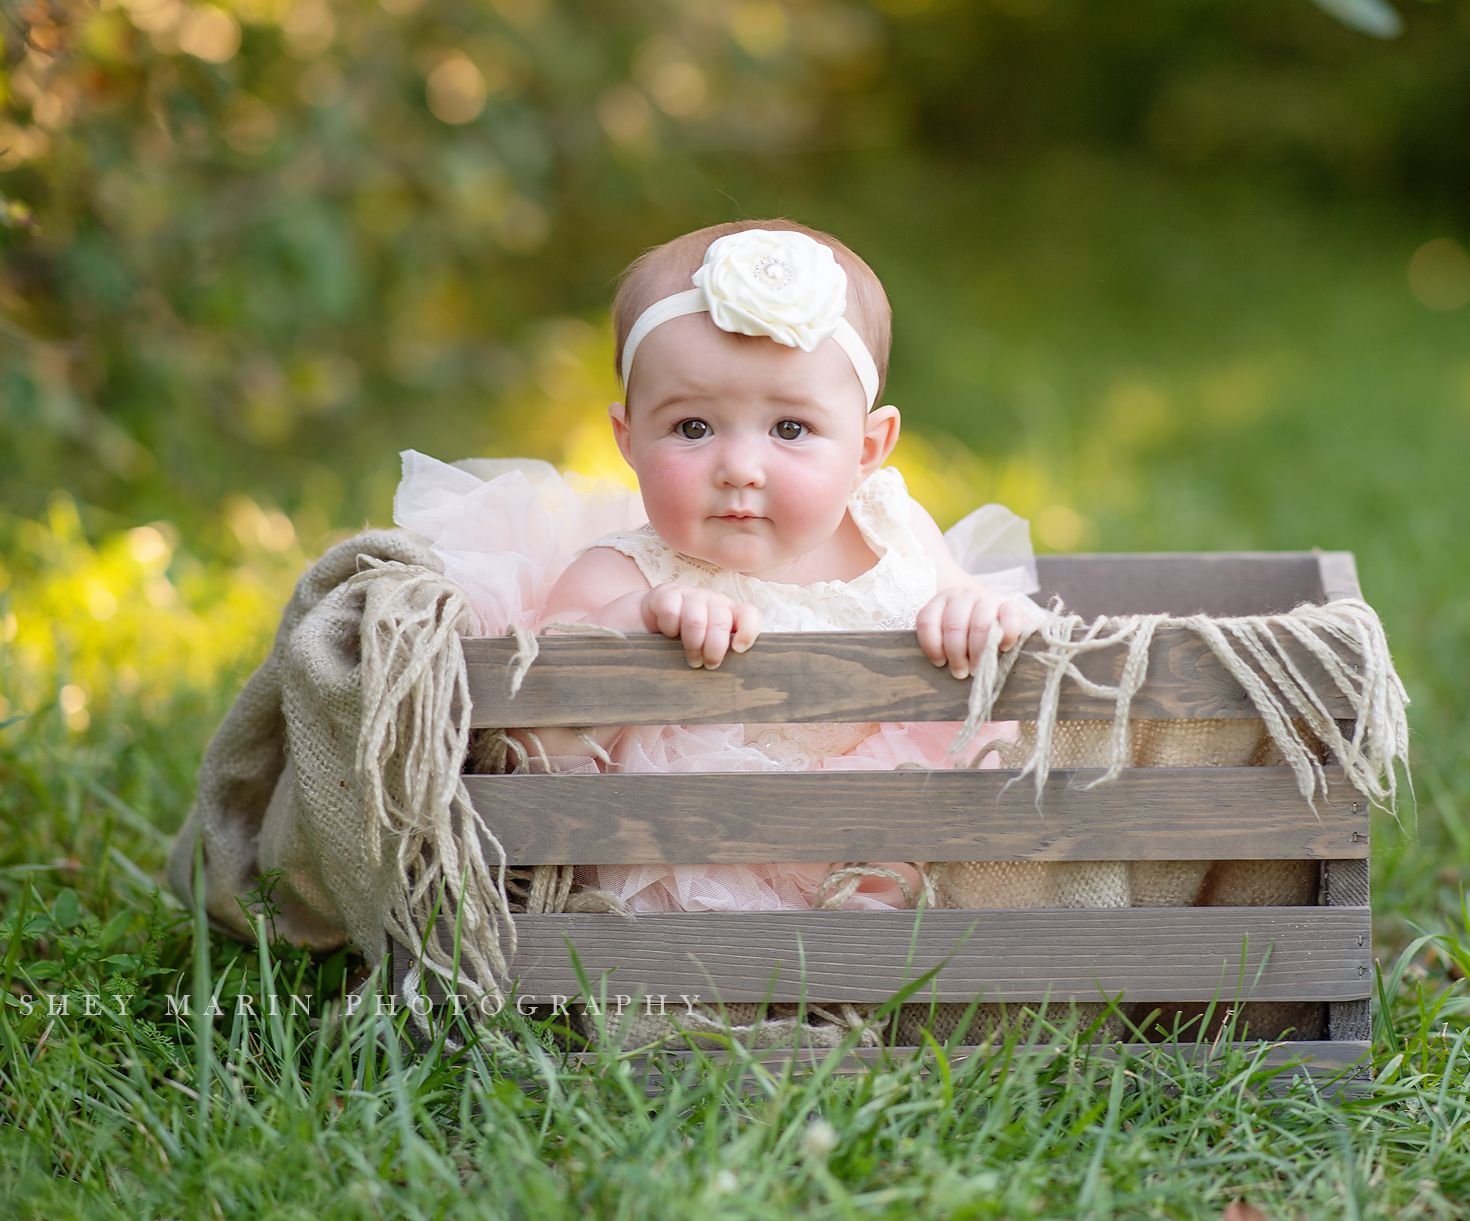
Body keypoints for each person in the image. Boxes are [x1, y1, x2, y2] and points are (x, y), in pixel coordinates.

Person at [393, 219, 1044, 913]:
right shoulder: (624, 576)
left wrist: (975, 609)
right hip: (707, 870)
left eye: (789, 429)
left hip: (907, 841)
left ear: (867, 447)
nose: (739, 467)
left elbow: (1011, 642)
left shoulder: (895, 532)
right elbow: (531, 754)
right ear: (629, 437)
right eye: (693, 428)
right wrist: (631, 632)